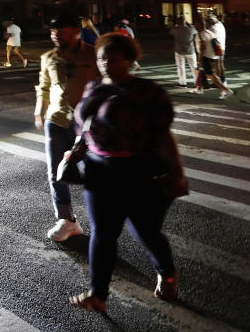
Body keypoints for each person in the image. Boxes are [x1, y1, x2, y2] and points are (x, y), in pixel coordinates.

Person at [69, 32, 182, 313]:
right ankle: (98, 295)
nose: (105, 63)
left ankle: (167, 272)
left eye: (113, 58)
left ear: (130, 61)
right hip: (98, 170)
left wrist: (177, 173)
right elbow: (84, 126)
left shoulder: (148, 92)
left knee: (145, 230)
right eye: (101, 57)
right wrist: (77, 149)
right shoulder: (94, 86)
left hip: (137, 170)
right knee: (103, 233)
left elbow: (163, 137)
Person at [34, 13, 99, 241]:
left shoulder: (93, 54)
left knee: (93, 172)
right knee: (56, 172)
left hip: (87, 123)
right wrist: (39, 111)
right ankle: (66, 220)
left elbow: (105, 84)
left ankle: (103, 219)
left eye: (61, 30)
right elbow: (44, 87)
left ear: (76, 30)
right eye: (53, 31)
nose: (55, 35)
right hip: (57, 120)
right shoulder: (48, 57)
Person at [192, 18, 232, 99]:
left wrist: (199, 60)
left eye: (195, 24)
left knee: (211, 76)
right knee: (199, 70)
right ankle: (199, 88)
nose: (194, 26)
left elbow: (202, 48)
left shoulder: (200, 35)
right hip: (213, 56)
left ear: (198, 25)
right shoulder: (209, 32)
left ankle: (226, 90)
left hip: (205, 57)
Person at [169, 18, 198, 87]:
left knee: (180, 67)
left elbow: (170, 32)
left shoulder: (175, 29)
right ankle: (197, 81)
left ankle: (182, 83)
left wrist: (176, 25)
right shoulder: (191, 29)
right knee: (194, 66)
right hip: (190, 50)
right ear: (185, 21)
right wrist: (189, 25)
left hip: (179, 50)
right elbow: (196, 31)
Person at [206, 15, 226, 82]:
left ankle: (218, 81)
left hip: (216, 47)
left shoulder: (212, 28)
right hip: (222, 46)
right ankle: (223, 78)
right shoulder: (220, 25)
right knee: (221, 63)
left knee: (217, 65)